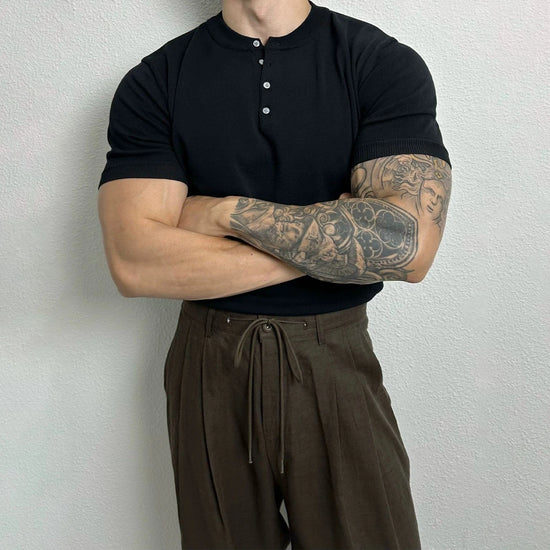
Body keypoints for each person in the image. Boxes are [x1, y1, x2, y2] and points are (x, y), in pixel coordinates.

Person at [96, 0, 452, 548]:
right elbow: (134, 263)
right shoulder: (157, 79)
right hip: (207, 362)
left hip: (334, 356)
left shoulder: (379, 63)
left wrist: (222, 213)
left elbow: (406, 247)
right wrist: (339, 242)